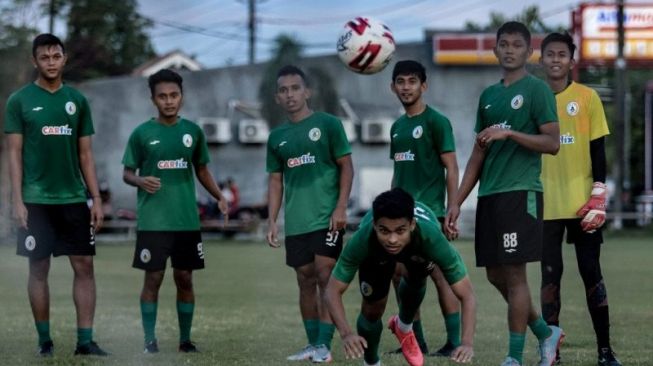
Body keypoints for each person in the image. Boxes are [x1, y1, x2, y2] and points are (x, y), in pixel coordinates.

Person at [447, 22, 563, 366]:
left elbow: (552, 143)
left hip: (521, 192)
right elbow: (478, 154)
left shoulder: (537, 90)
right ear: (495, 50)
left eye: (516, 45)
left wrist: (509, 134)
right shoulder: (488, 96)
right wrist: (456, 201)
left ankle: (514, 357)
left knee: (515, 276)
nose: (509, 49)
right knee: (495, 275)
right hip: (490, 196)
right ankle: (545, 332)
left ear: (529, 52)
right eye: (503, 44)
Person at [4, 33, 108, 357]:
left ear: (64, 59)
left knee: (85, 268)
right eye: (44, 57)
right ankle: (44, 341)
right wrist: (16, 200)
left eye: (56, 56)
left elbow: (86, 155)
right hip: (36, 200)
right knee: (38, 269)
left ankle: (85, 342)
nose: (51, 62)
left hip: (74, 199)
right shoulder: (18, 101)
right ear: (35, 61)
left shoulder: (77, 101)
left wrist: (97, 198)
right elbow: (14, 154)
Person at [122, 69, 229, 354]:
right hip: (154, 221)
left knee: (185, 277)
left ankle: (185, 340)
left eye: (174, 95)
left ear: (181, 96)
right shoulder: (142, 133)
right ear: (153, 99)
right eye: (162, 96)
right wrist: (140, 180)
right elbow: (127, 173)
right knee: (153, 278)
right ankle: (149, 340)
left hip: (185, 220)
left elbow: (202, 170)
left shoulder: (192, 132)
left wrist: (219, 196)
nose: (169, 101)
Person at [539, 32, 621, 366]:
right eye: (550, 54)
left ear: (572, 60)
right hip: (545, 204)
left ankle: (605, 350)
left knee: (591, 272)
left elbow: (597, 149)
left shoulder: (587, 97)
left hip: (583, 205)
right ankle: (551, 352)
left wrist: (599, 193)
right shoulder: (535, 97)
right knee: (549, 277)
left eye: (562, 54)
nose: (556, 59)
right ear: (541, 59)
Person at [325, 188, 475, 366]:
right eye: (384, 230)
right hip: (376, 256)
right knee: (372, 309)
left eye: (400, 230)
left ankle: (404, 326)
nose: (392, 239)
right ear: (374, 225)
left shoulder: (431, 239)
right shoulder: (362, 240)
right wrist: (346, 333)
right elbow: (332, 291)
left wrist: (466, 343)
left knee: (417, 278)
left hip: (418, 250)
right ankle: (371, 362)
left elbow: (467, 295)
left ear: (412, 224)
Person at [266, 65, 354, 363]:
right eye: (283, 90)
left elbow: (346, 165)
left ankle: (325, 346)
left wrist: (341, 206)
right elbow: (276, 180)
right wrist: (272, 220)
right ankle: (313, 343)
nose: (289, 94)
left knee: (325, 276)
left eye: (294, 88)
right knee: (304, 281)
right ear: (277, 97)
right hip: (297, 221)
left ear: (307, 92)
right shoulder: (276, 137)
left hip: (327, 216)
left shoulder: (328, 124)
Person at [386, 59, 463, 357]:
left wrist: (452, 207)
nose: (406, 87)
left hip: (430, 212)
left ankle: (454, 341)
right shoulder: (396, 128)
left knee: (439, 274)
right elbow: (398, 173)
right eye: (401, 82)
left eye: (412, 81)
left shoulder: (436, 122)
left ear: (424, 86)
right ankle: (413, 340)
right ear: (393, 87)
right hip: (401, 216)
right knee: (398, 274)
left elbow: (451, 167)